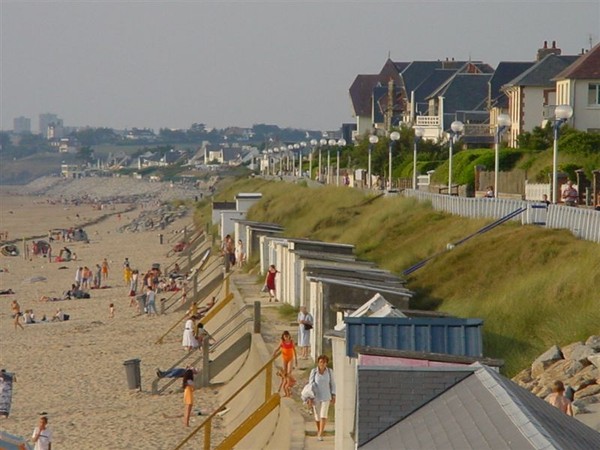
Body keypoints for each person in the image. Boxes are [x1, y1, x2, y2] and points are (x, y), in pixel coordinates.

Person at [307, 355, 336, 441]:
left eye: (324, 362)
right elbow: (310, 384)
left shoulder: (330, 372)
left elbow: (333, 384)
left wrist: (334, 395)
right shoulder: (314, 372)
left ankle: (320, 433)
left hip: (326, 396)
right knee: (317, 416)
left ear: (326, 363)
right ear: (318, 363)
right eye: (321, 362)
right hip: (316, 396)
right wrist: (310, 397)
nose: (322, 364)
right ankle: (319, 430)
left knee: (323, 415)